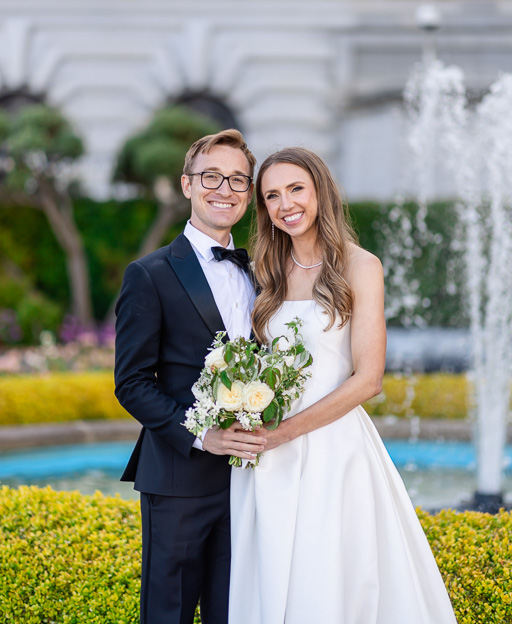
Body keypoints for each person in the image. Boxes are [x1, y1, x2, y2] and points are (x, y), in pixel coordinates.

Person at [229, 147, 458, 624]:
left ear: (320, 192)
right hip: (266, 455)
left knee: (329, 579)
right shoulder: (265, 271)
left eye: (296, 189)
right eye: (271, 195)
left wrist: (286, 432)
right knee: (270, 581)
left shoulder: (360, 266)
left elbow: (369, 378)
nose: (284, 204)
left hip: (332, 452)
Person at [115, 129, 265, 624]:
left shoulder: (264, 273)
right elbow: (132, 382)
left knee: (237, 611)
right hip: (179, 479)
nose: (225, 189)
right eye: (212, 176)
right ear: (186, 184)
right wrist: (205, 436)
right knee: (169, 613)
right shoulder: (150, 273)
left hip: (255, 481)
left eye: (238, 180)